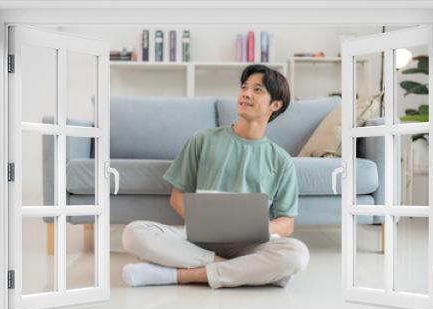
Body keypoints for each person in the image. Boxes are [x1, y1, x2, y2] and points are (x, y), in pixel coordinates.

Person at [121, 64, 310, 289]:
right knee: (134, 233)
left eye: (257, 90)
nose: (246, 94)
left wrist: (254, 229)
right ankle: (245, 270)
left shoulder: (281, 160)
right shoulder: (203, 139)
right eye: (244, 87)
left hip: (248, 244)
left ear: (276, 104)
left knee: (297, 254)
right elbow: (177, 196)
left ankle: (178, 275)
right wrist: (206, 224)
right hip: (196, 241)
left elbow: (286, 223)